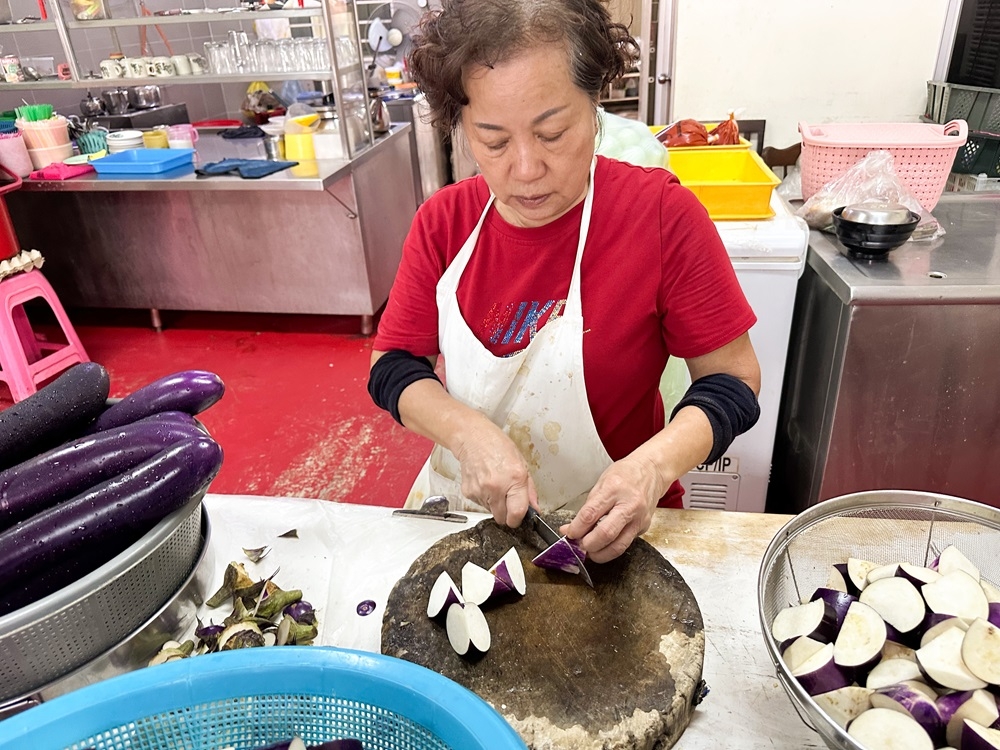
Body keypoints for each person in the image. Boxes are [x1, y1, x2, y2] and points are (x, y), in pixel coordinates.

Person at [368, 0, 761, 563]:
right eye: (494, 141)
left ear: (596, 106)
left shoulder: (658, 216)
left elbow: (732, 382)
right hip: (463, 518)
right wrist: (467, 435)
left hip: (612, 530)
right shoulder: (444, 222)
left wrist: (652, 469)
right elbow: (393, 366)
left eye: (553, 133)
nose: (526, 169)